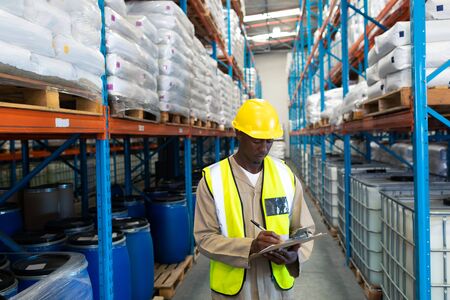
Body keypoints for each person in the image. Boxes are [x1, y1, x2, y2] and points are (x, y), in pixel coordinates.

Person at [194, 99, 315, 300]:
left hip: (277, 288)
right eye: (257, 141)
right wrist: (250, 247)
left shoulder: (285, 176)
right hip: (234, 291)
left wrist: (295, 256)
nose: (264, 148)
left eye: (269, 141)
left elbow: (305, 229)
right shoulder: (212, 180)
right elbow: (205, 238)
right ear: (238, 134)